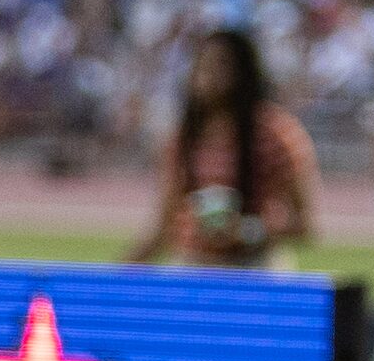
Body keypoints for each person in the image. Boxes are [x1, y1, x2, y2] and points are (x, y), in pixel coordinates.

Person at [126, 27, 318, 268]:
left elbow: (304, 225)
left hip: (255, 268)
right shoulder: (185, 137)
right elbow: (164, 223)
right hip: (194, 268)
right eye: (202, 65)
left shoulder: (276, 134)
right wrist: (116, 278)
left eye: (220, 65)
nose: (208, 75)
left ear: (244, 72)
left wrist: (248, 231)